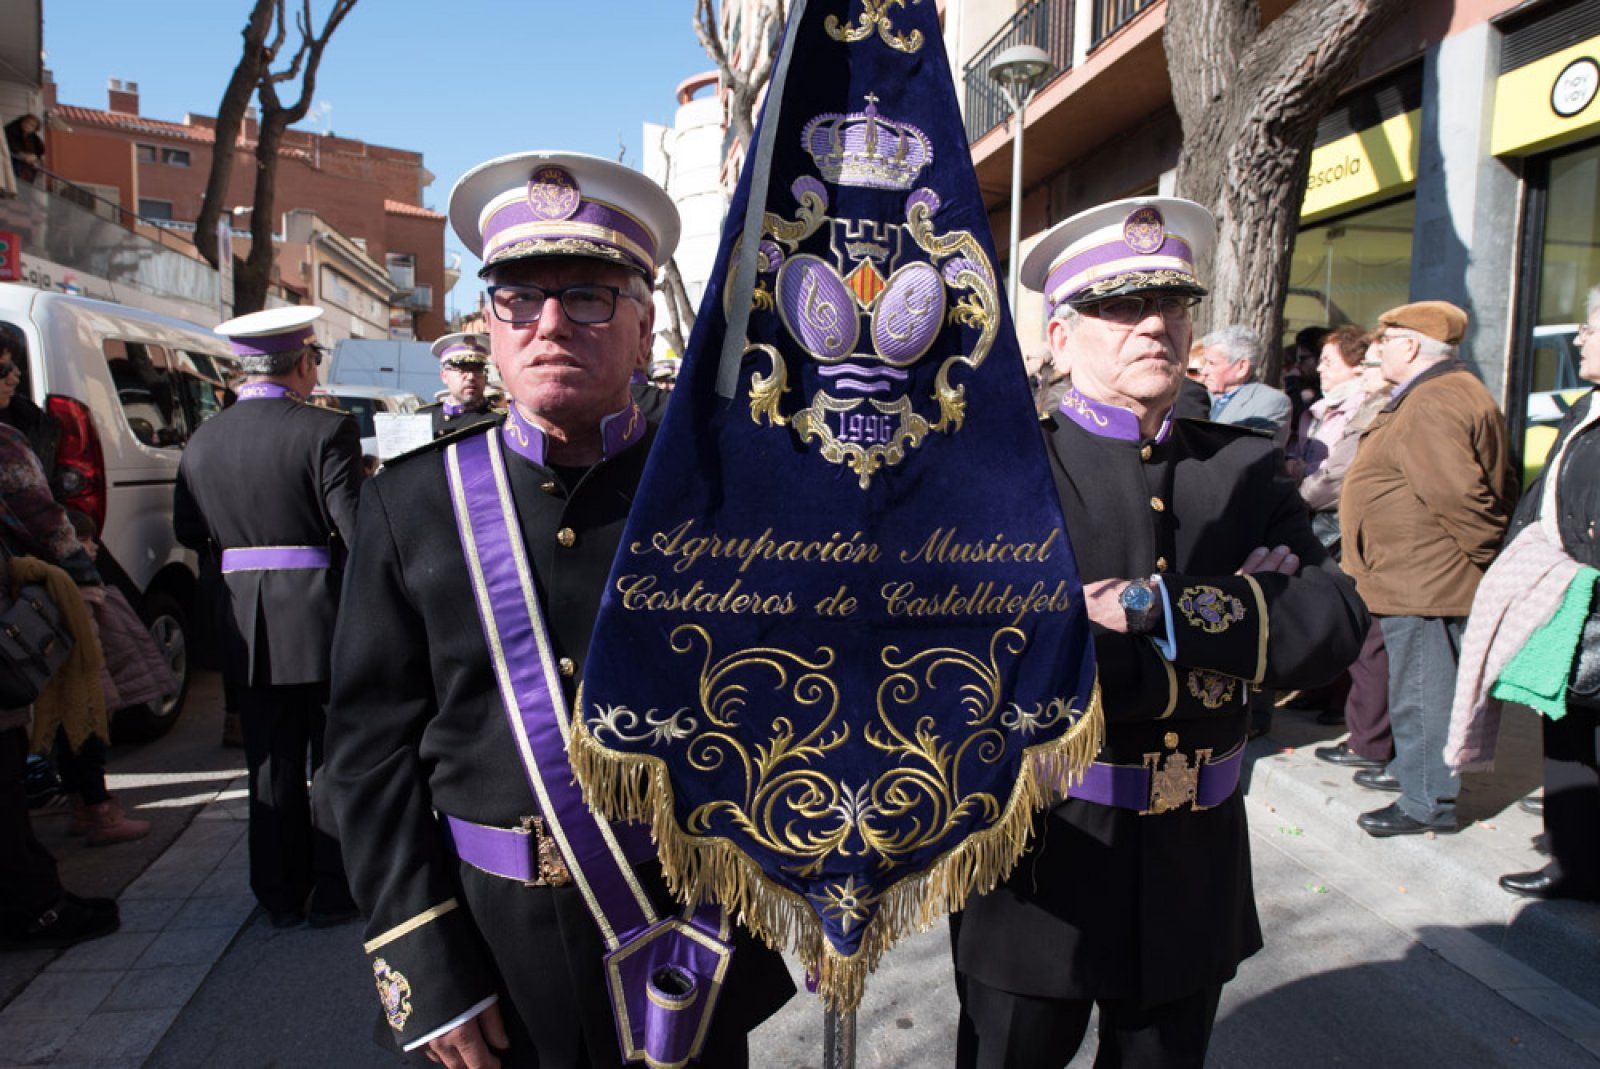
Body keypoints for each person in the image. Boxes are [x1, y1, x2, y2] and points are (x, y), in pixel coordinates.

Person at [326, 152, 794, 1069]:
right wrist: (426, 967)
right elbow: (369, 759)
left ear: (644, 318)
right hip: (492, 961)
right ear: (488, 324)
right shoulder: (410, 505)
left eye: (588, 294)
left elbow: (786, 709)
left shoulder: (724, 496)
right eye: (518, 298)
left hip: (689, 937)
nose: (549, 324)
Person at [951, 197, 1368, 1068]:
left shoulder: (1244, 465)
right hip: (1044, 860)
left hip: (1194, 864)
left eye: (1173, 304)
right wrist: (1240, 623)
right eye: (1118, 306)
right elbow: (990, 666)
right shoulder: (1010, 476)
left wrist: (1152, 613)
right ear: (1061, 340)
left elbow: (1333, 627)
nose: (1154, 324)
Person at [173, 306, 362, 926]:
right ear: (302, 363)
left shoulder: (203, 437)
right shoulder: (323, 430)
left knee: (267, 761)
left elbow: (187, 528)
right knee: (332, 757)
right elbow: (355, 529)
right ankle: (334, 891)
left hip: (240, 618)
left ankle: (278, 894)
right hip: (317, 612)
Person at [1339, 301, 1518, 837]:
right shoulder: (1437, 393)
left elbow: (1459, 495)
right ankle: (1414, 774)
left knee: (1423, 689)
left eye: (1385, 340)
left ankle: (1425, 801)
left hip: (1426, 577)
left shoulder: (1435, 400)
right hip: (1417, 574)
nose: (1376, 350)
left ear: (1412, 346)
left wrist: (1489, 556)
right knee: (1419, 685)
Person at [1488, 285, 1600, 901]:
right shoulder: (1586, 407)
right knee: (1567, 732)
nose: (1579, 337)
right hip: (1570, 602)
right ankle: (1576, 863)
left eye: (1588, 327)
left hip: (1591, 598)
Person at [1200, 324, 1293, 448]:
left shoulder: (1270, 402)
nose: (1203, 371)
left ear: (1242, 367)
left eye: (1212, 363)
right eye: (1205, 362)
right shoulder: (1200, 396)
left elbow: (1249, 454)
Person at [421, 332, 499, 438]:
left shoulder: (499, 421)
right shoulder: (423, 418)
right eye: (463, 369)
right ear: (444, 376)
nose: (471, 376)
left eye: (478, 369)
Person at [5, 114, 46, 185]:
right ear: (22, 121)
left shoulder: (33, 137)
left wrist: (36, 157)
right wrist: (24, 156)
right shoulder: (11, 130)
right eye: (27, 122)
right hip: (10, 161)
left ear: (35, 129)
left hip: (25, 166)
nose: (28, 126)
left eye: (32, 125)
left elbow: (41, 150)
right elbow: (10, 146)